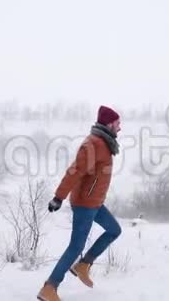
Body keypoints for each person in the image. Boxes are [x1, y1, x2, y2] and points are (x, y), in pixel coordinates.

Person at [37, 105, 123, 301]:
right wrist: (59, 197)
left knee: (114, 230)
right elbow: (75, 170)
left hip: (95, 203)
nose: (120, 127)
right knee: (75, 246)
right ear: (109, 124)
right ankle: (50, 287)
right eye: (118, 123)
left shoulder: (104, 143)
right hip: (85, 204)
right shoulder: (94, 144)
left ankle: (84, 265)